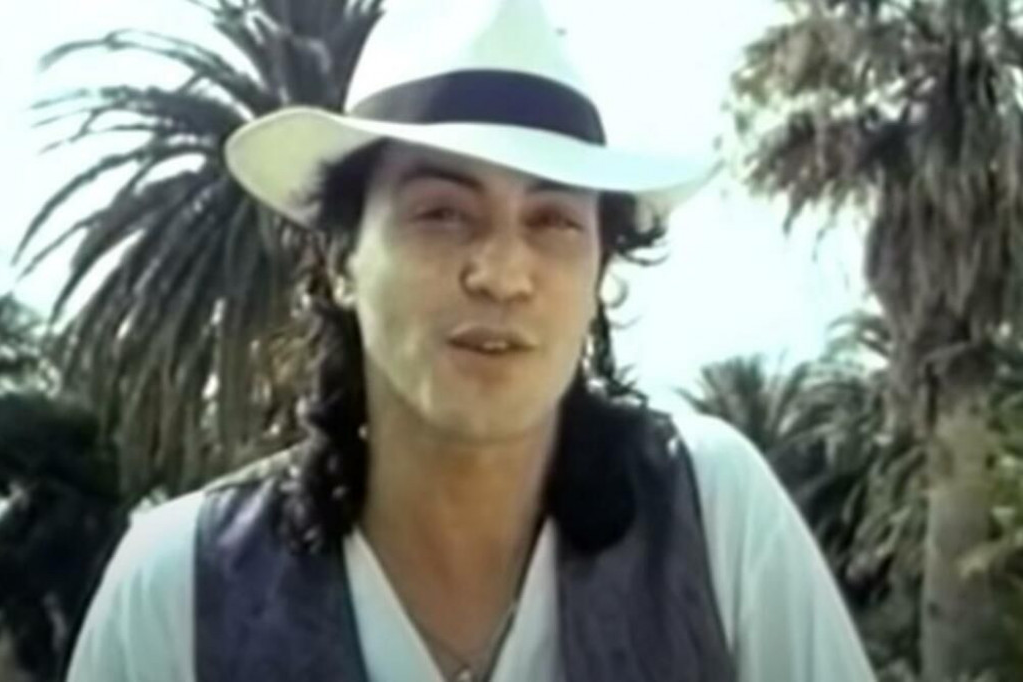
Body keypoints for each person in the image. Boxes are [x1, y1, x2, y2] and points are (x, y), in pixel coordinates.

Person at [66, 0, 877, 680]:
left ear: (600, 269)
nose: (502, 273)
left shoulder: (709, 516)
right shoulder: (181, 587)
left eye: (553, 221)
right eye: (442, 213)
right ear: (340, 260)